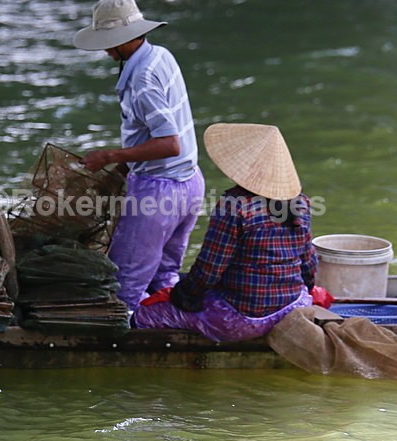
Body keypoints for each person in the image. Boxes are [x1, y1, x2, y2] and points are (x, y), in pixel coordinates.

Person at [73, 0, 204, 311]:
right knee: (165, 276)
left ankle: (122, 343)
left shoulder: (142, 78)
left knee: (124, 287)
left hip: (158, 194)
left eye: (108, 41)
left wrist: (110, 156)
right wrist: (128, 163)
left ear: (121, 40)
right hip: (190, 183)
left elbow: (169, 143)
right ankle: (167, 327)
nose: (105, 49)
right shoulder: (160, 55)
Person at [132, 123, 317, 342]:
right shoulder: (301, 203)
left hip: (242, 318)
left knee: (142, 317)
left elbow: (209, 270)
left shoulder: (235, 204)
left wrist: (182, 296)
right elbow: (309, 264)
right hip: (292, 308)